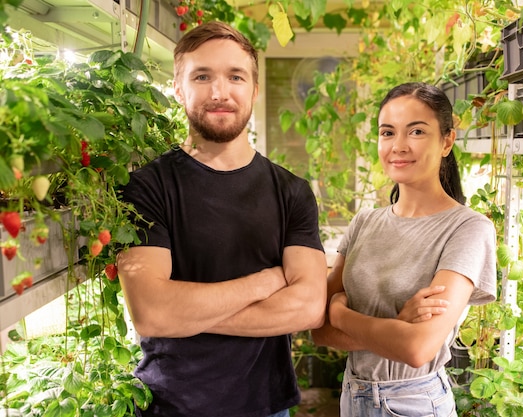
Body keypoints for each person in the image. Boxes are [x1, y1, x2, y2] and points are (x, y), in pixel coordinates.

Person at [116, 21, 328, 417]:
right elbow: (151, 312)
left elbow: (310, 307)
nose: (220, 92)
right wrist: (266, 281)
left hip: (268, 406)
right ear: (178, 88)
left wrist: (185, 314)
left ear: (254, 89)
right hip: (171, 406)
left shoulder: (292, 192)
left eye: (235, 76)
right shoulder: (145, 189)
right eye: (202, 76)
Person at [311, 82, 497, 416]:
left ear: (447, 141)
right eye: (387, 132)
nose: (398, 146)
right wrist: (394, 324)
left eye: (416, 131)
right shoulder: (364, 222)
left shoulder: (468, 229)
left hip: (413, 403)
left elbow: (416, 347)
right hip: (352, 397)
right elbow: (319, 329)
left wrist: (342, 314)